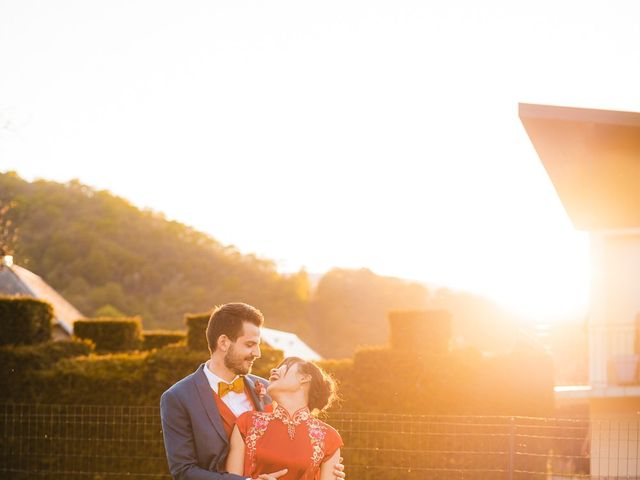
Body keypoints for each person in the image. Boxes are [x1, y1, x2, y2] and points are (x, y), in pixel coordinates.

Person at [160, 302, 345, 480]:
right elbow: (184, 472)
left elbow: (294, 442)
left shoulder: (267, 388)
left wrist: (323, 466)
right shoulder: (178, 398)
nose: (258, 353)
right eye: (250, 345)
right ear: (224, 342)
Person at [226, 357, 342, 480]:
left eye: (286, 365)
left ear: (304, 378)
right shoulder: (247, 423)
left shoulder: (329, 438)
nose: (273, 370)